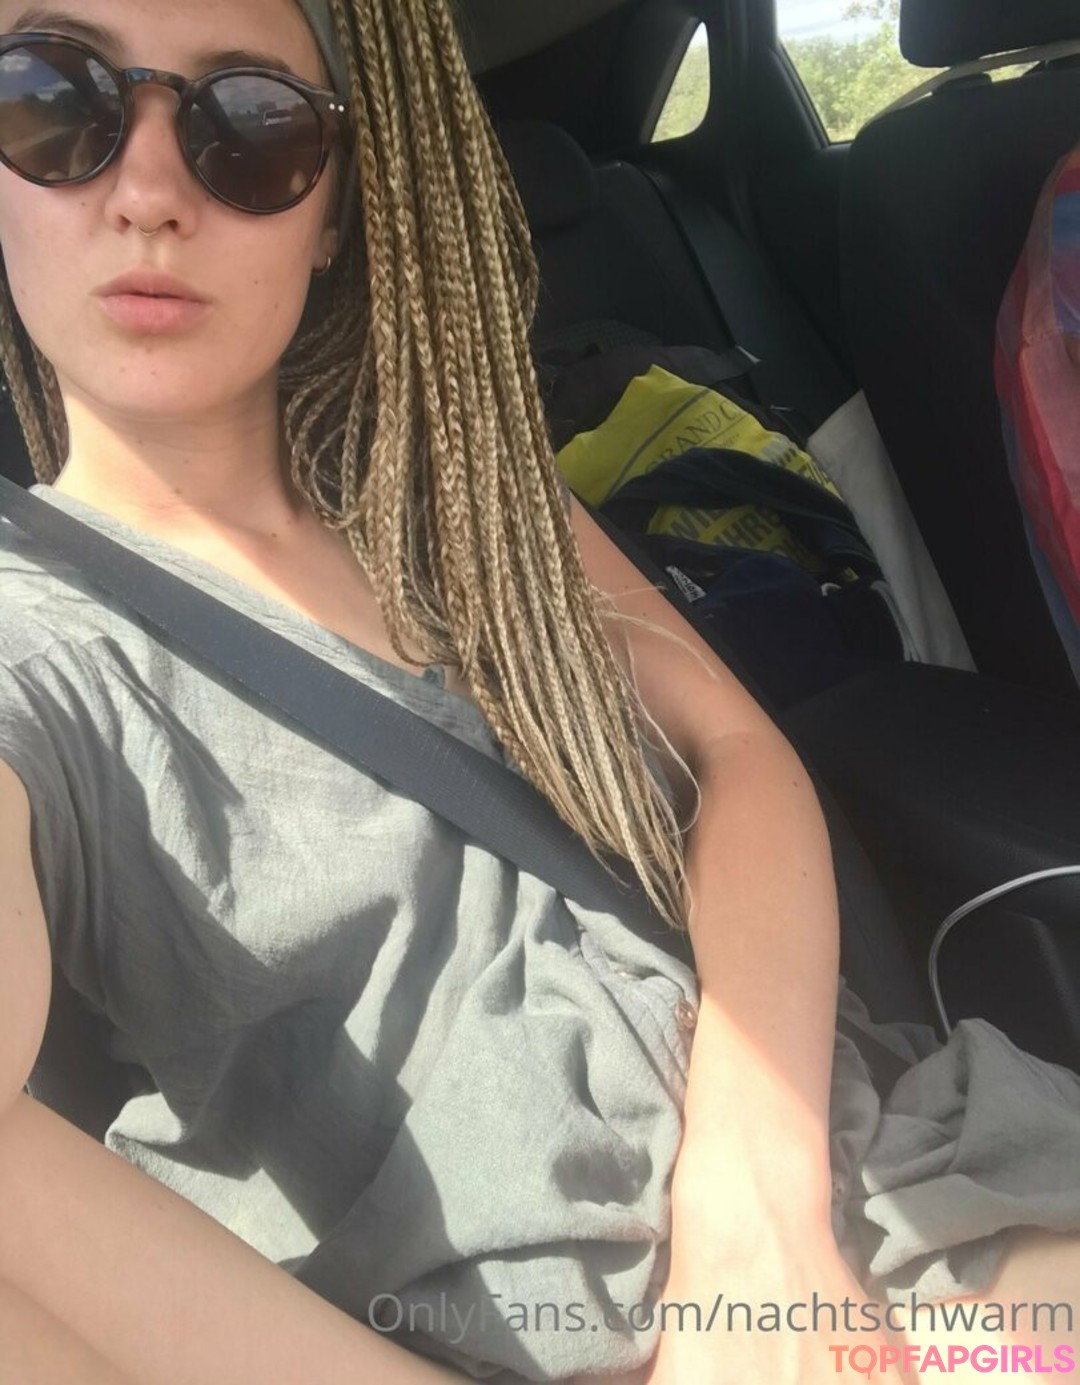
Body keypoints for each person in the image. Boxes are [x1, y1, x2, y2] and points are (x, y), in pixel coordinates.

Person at [0, 2, 1078, 1382]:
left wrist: (754, 1210)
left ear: (332, 216)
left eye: (251, 127)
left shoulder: (471, 510)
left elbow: (739, 756)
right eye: (57, 101)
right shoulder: (34, 643)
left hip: (873, 1178)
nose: (150, 188)